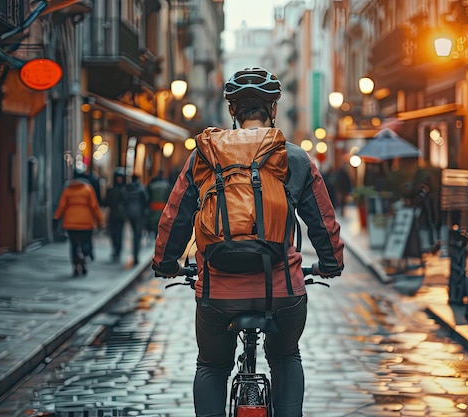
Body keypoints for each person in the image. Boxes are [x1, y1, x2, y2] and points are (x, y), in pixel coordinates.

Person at [151, 67, 344, 417]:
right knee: (286, 357)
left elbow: (174, 217)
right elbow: (323, 222)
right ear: (273, 108)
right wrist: (331, 264)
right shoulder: (294, 157)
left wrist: (165, 264)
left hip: (217, 292)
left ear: (232, 112)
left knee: (211, 365)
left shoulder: (204, 155)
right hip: (282, 288)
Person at [54, 170, 104, 276]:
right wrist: (100, 221)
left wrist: (56, 218)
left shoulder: (67, 190)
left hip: (70, 223)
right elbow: (94, 206)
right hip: (86, 223)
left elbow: (62, 206)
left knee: (73, 245)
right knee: (85, 244)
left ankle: (75, 267)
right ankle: (83, 261)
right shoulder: (88, 189)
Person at [123, 174, 148, 265]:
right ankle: (136, 256)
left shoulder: (127, 188)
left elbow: (124, 200)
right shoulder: (141, 188)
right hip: (139, 214)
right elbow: (146, 200)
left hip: (130, 214)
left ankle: (134, 254)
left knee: (133, 234)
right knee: (137, 236)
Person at [104, 167, 127, 261]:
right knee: (113, 233)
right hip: (113, 214)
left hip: (120, 215)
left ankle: (117, 250)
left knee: (119, 233)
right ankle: (115, 248)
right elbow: (107, 201)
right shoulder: (111, 189)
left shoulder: (125, 190)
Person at [145, 170, 172, 240]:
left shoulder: (152, 186)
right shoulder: (167, 185)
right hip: (163, 209)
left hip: (153, 209)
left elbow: (148, 198)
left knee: (154, 225)